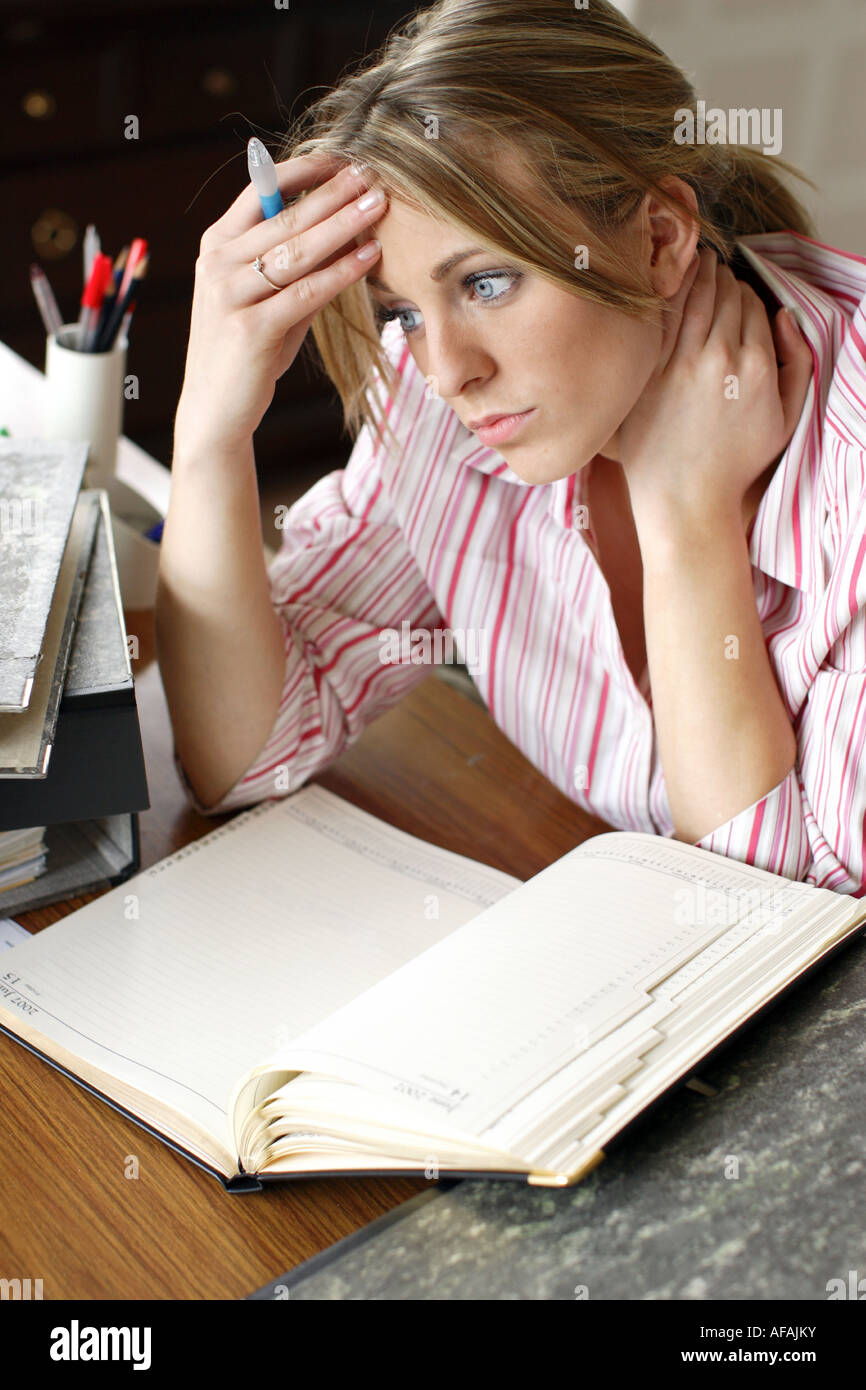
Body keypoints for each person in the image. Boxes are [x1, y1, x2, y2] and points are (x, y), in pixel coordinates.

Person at [156, 0, 866, 894]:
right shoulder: (433, 407)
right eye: (404, 312)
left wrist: (687, 520)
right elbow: (245, 755)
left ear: (659, 239)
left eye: (487, 282)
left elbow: (778, 921)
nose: (447, 370)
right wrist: (210, 433)